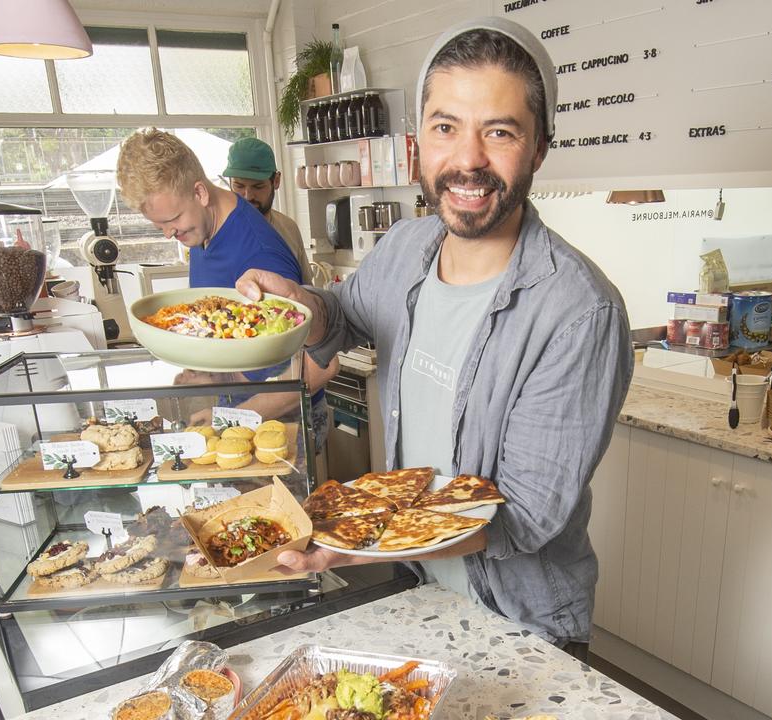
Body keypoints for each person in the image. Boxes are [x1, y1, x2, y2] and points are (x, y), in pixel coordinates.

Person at [235, 18, 634, 661]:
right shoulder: (406, 248)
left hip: (522, 627)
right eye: (446, 128)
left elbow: (525, 517)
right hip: (416, 593)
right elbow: (343, 316)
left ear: (538, 149)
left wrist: (364, 537)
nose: (468, 160)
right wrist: (299, 302)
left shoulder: (579, 314)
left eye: (499, 132)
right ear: (417, 143)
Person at [116, 129, 340, 451]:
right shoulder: (202, 229)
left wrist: (230, 418)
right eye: (159, 225)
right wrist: (213, 376)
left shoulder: (259, 252)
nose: (168, 233)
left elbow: (321, 366)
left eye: (173, 219)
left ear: (200, 193)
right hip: (236, 414)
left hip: (278, 428)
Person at [222, 137, 313, 285]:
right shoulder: (217, 234)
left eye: (258, 187)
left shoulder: (289, 229)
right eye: (239, 186)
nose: (248, 196)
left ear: (276, 181)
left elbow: (306, 289)